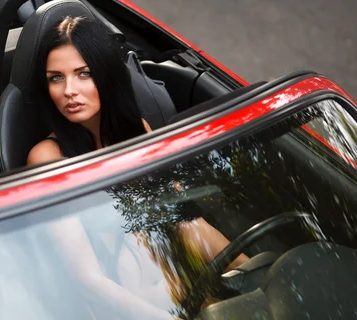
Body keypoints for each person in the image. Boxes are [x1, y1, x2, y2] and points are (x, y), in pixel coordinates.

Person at [27, 16, 248, 319]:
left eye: (83, 74)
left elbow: (186, 221)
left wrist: (250, 269)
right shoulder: (47, 158)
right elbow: (88, 280)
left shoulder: (136, 131)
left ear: (107, 76)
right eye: (56, 78)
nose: (69, 90)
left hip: (185, 292)